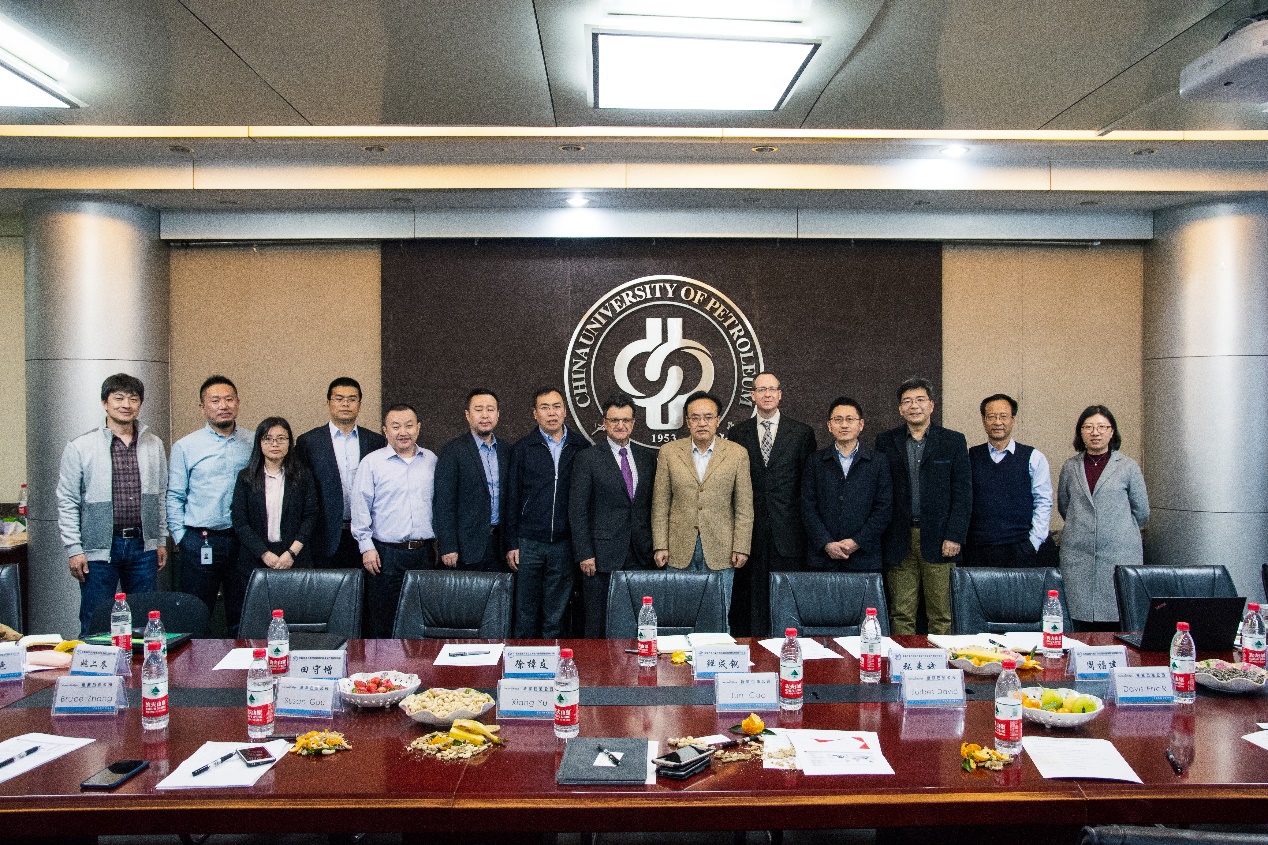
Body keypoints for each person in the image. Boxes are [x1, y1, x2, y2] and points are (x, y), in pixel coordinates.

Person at [56, 374, 168, 637]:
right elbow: (67, 500)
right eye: (118, 398)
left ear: (140, 404)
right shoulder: (80, 446)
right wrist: (74, 548)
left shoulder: (154, 444)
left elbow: (160, 495)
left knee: (144, 620)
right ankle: (92, 663)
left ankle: (141, 664)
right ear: (104, 403)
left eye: (133, 399)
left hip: (143, 547)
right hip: (99, 549)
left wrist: (160, 539)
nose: (126, 404)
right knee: (95, 619)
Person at [874, 377, 971, 636]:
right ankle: (901, 660)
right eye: (907, 401)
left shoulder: (952, 441)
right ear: (900, 409)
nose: (913, 406)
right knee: (901, 612)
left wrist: (954, 535)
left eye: (920, 400)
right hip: (898, 537)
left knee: (941, 613)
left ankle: (943, 662)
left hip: (940, 539)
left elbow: (963, 493)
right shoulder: (885, 442)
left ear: (931, 405)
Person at [651, 391, 754, 622]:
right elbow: (660, 504)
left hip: (722, 548)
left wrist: (741, 546)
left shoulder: (737, 454)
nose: (702, 423)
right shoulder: (669, 452)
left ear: (718, 420)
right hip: (678, 548)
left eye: (708, 417)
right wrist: (660, 544)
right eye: (695, 418)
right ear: (687, 422)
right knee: (679, 617)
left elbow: (744, 507)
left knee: (717, 617)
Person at [728, 372, 816, 636]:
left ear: (780, 394)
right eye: (761, 389)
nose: (766, 394)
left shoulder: (801, 433)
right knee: (750, 605)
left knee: (786, 601)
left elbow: (808, 487)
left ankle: (787, 651)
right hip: (750, 533)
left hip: (789, 533)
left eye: (771, 389)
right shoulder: (737, 433)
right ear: (752, 396)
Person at [167, 375, 253, 635]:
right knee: (195, 613)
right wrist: (182, 538)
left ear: (238, 403)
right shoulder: (186, 446)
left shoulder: (253, 442)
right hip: (200, 541)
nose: (223, 405)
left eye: (229, 399)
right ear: (202, 407)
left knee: (243, 613)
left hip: (243, 541)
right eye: (215, 401)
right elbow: (174, 495)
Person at [569, 394, 656, 638]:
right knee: (597, 624)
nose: (620, 425)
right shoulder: (588, 458)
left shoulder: (647, 458)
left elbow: (652, 505)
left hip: (641, 553)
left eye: (625, 420)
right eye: (614, 420)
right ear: (604, 423)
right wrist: (584, 553)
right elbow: (578, 510)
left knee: (638, 622)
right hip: (601, 557)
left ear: (633, 423)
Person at [1057, 405, 1150, 630]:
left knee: (1118, 617)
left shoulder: (1127, 467)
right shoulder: (1071, 466)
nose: (1095, 432)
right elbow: (1064, 506)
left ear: (1112, 432)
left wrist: (1115, 530)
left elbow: (1141, 511)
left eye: (1101, 427)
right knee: (1078, 618)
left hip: (1118, 552)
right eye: (1088, 427)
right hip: (1079, 554)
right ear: (1080, 432)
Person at [351, 403, 438, 638]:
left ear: (418, 428)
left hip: (424, 553)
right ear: (385, 430)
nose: (403, 432)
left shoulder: (431, 460)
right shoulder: (372, 462)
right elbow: (360, 508)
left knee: (422, 620)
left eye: (409, 426)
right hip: (385, 555)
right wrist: (366, 547)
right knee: (384, 621)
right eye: (396, 426)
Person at [504, 387, 585, 638]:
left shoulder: (580, 447)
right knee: (525, 611)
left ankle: (554, 659)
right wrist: (512, 542)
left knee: (556, 614)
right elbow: (512, 498)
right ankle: (523, 659)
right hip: (529, 543)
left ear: (565, 410)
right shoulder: (523, 448)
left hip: (564, 543)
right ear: (535, 413)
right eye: (545, 408)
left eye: (557, 407)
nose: (552, 413)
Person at [295, 377, 386, 569]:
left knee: (363, 587)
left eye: (352, 399)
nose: (346, 403)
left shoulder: (375, 441)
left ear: (359, 405)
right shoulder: (309, 442)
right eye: (339, 398)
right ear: (328, 403)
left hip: (367, 537)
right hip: (324, 536)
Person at [802, 397, 892, 573]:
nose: (844, 425)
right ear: (829, 425)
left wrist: (857, 542)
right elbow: (807, 507)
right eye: (838, 419)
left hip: (864, 558)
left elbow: (884, 508)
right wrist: (826, 543)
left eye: (850, 419)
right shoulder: (815, 461)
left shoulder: (878, 462)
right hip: (822, 558)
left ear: (861, 424)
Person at [963, 393, 1052, 567]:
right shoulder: (969, 457)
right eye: (991, 417)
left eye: (1003, 416)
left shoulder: (1033, 457)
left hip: (1019, 547)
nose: (997, 422)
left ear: (1013, 420)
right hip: (978, 549)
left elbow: (1043, 501)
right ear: (983, 421)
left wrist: (1033, 543)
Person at [231, 417, 319, 591]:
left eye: (281, 438)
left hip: (294, 558)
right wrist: (264, 554)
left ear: (289, 442)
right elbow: (240, 521)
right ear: (259, 443)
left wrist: (291, 553)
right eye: (268, 439)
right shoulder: (246, 478)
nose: (275, 444)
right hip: (256, 559)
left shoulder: (303, 476)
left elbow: (310, 516)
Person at [433, 389, 509, 572]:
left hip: (500, 545)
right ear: (467, 415)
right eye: (478, 409)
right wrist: (448, 545)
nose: (485, 415)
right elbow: (443, 503)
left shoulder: (507, 451)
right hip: (465, 547)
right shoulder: (452, 451)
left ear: (498, 414)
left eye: (490, 409)